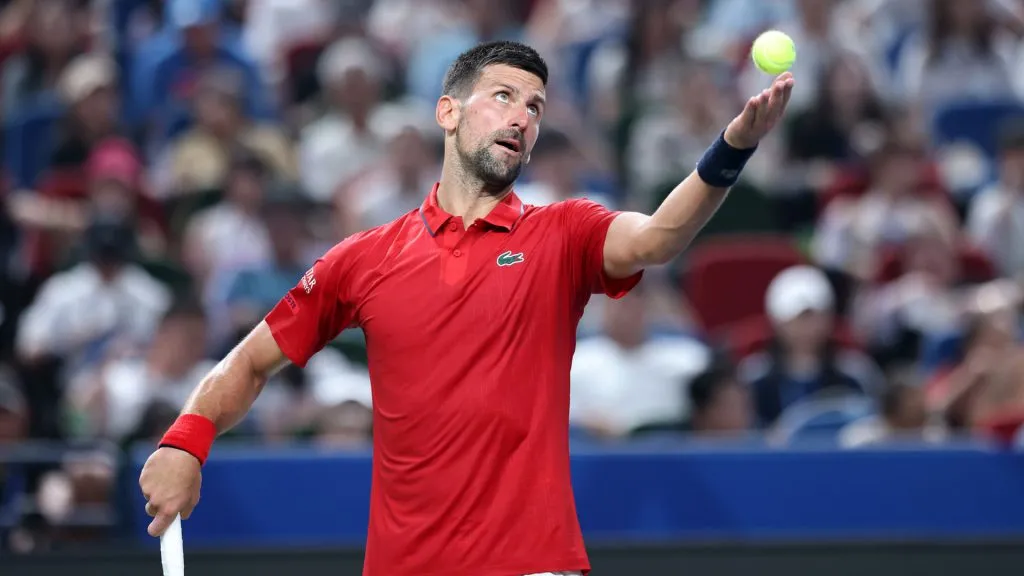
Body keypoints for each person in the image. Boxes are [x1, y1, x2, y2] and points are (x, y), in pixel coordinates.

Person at [138, 40, 793, 576]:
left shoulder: (562, 233)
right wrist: (184, 443)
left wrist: (731, 147)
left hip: (534, 565)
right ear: (447, 112)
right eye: (504, 96)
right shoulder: (363, 259)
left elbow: (657, 237)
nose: (522, 117)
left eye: (535, 107)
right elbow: (250, 363)